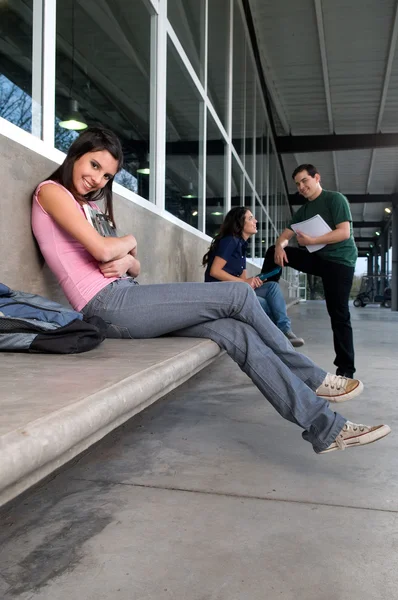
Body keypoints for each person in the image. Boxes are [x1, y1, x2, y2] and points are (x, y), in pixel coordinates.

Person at [31, 127, 390, 454]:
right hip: (107, 305)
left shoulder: (89, 207)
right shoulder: (51, 192)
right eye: (93, 165)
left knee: (235, 332)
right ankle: (313, 377)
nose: (97, 178)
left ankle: (326, 428)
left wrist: (126, 259)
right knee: (238, 295)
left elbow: (134, 265)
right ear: (76, 154)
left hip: (127, 297)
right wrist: (130, 242)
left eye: (106, 174)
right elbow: (104, 251)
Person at [262, 164, 358, 379]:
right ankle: (266, 302)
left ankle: (346, 370)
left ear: (316, 178)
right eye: (297, 184)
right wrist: (280, 245)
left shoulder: (335, 199)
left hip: (340, 263)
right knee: (271, 252)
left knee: (338, 314)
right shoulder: (303, 211)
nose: (301, 187)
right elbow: (285, 236)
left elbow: (343, 233)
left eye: (304, 181)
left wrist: (313, 240)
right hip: (318, 259)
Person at [202, 207, 304, 347]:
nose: (255, 220)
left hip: (236, 291)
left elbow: (243, 280)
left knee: (272, 286)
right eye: (250, 218)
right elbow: (214, 271)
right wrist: (245, 283)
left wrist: (253, 282)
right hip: (222, 294)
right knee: (266, 304)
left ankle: (285, 331)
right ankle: (277, 338)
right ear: (239, 223)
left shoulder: (241, 245)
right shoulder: (230, 241)